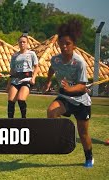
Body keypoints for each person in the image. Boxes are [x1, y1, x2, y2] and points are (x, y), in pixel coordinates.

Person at [42, 19, 94, 168]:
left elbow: (83, 87)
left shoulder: (79, 63)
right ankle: (64, 138)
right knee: (51, 112)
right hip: (65, 99)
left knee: (83, 134)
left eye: (68, 44)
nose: (64, 47)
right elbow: (52, 69)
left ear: (74, 45)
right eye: (61, 43)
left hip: (80, 102)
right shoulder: (55, 59)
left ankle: (89, 158)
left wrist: (70, 88)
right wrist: (48, 81)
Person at [6, 35, 39, 118]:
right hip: (15, 79)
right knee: (11, 101)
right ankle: (10, 121)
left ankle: (23, 118)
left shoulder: (31, 54)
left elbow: (36, 67)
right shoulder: (15, 56)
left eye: (24, 42)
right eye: (20, 42)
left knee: (21, 99)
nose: (22, 43)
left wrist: (33, 78)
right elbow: (12, 70)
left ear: (27, 43)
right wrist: (9, 83)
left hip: (26, 79)